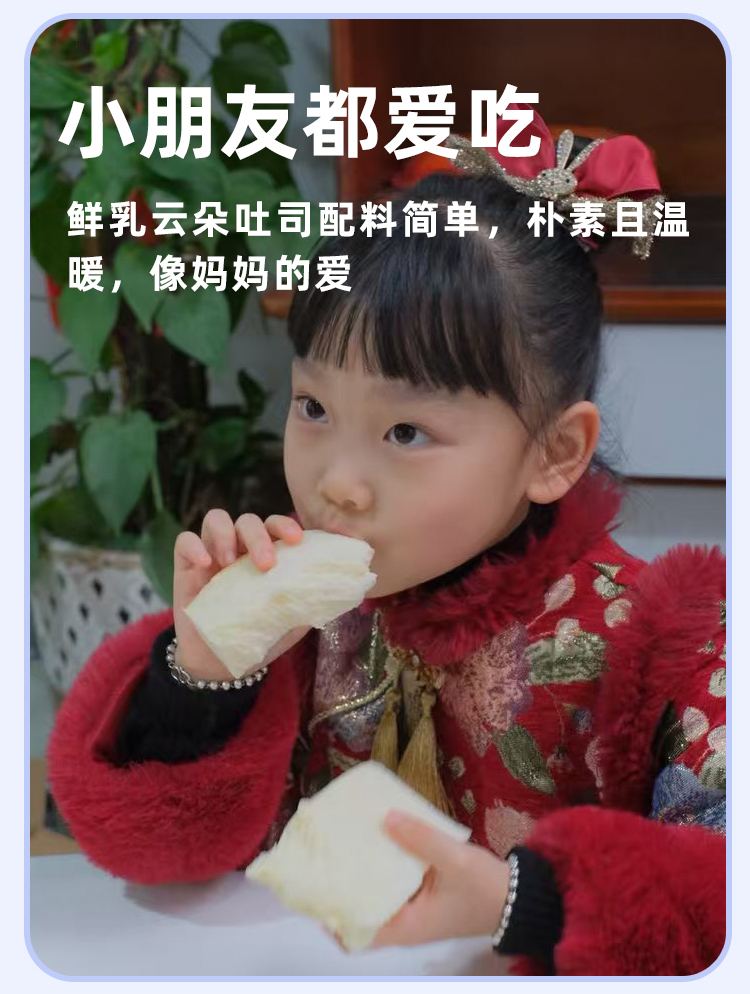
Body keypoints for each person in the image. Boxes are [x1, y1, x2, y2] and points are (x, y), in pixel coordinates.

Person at [46, 105, 726, 977]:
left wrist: (520, 903)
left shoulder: (665, 640)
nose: (337, 482)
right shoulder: (300, 623)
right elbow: (149, 854)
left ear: (554, 453)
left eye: (406, 431)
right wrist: (205, 677)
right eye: (313, 407)